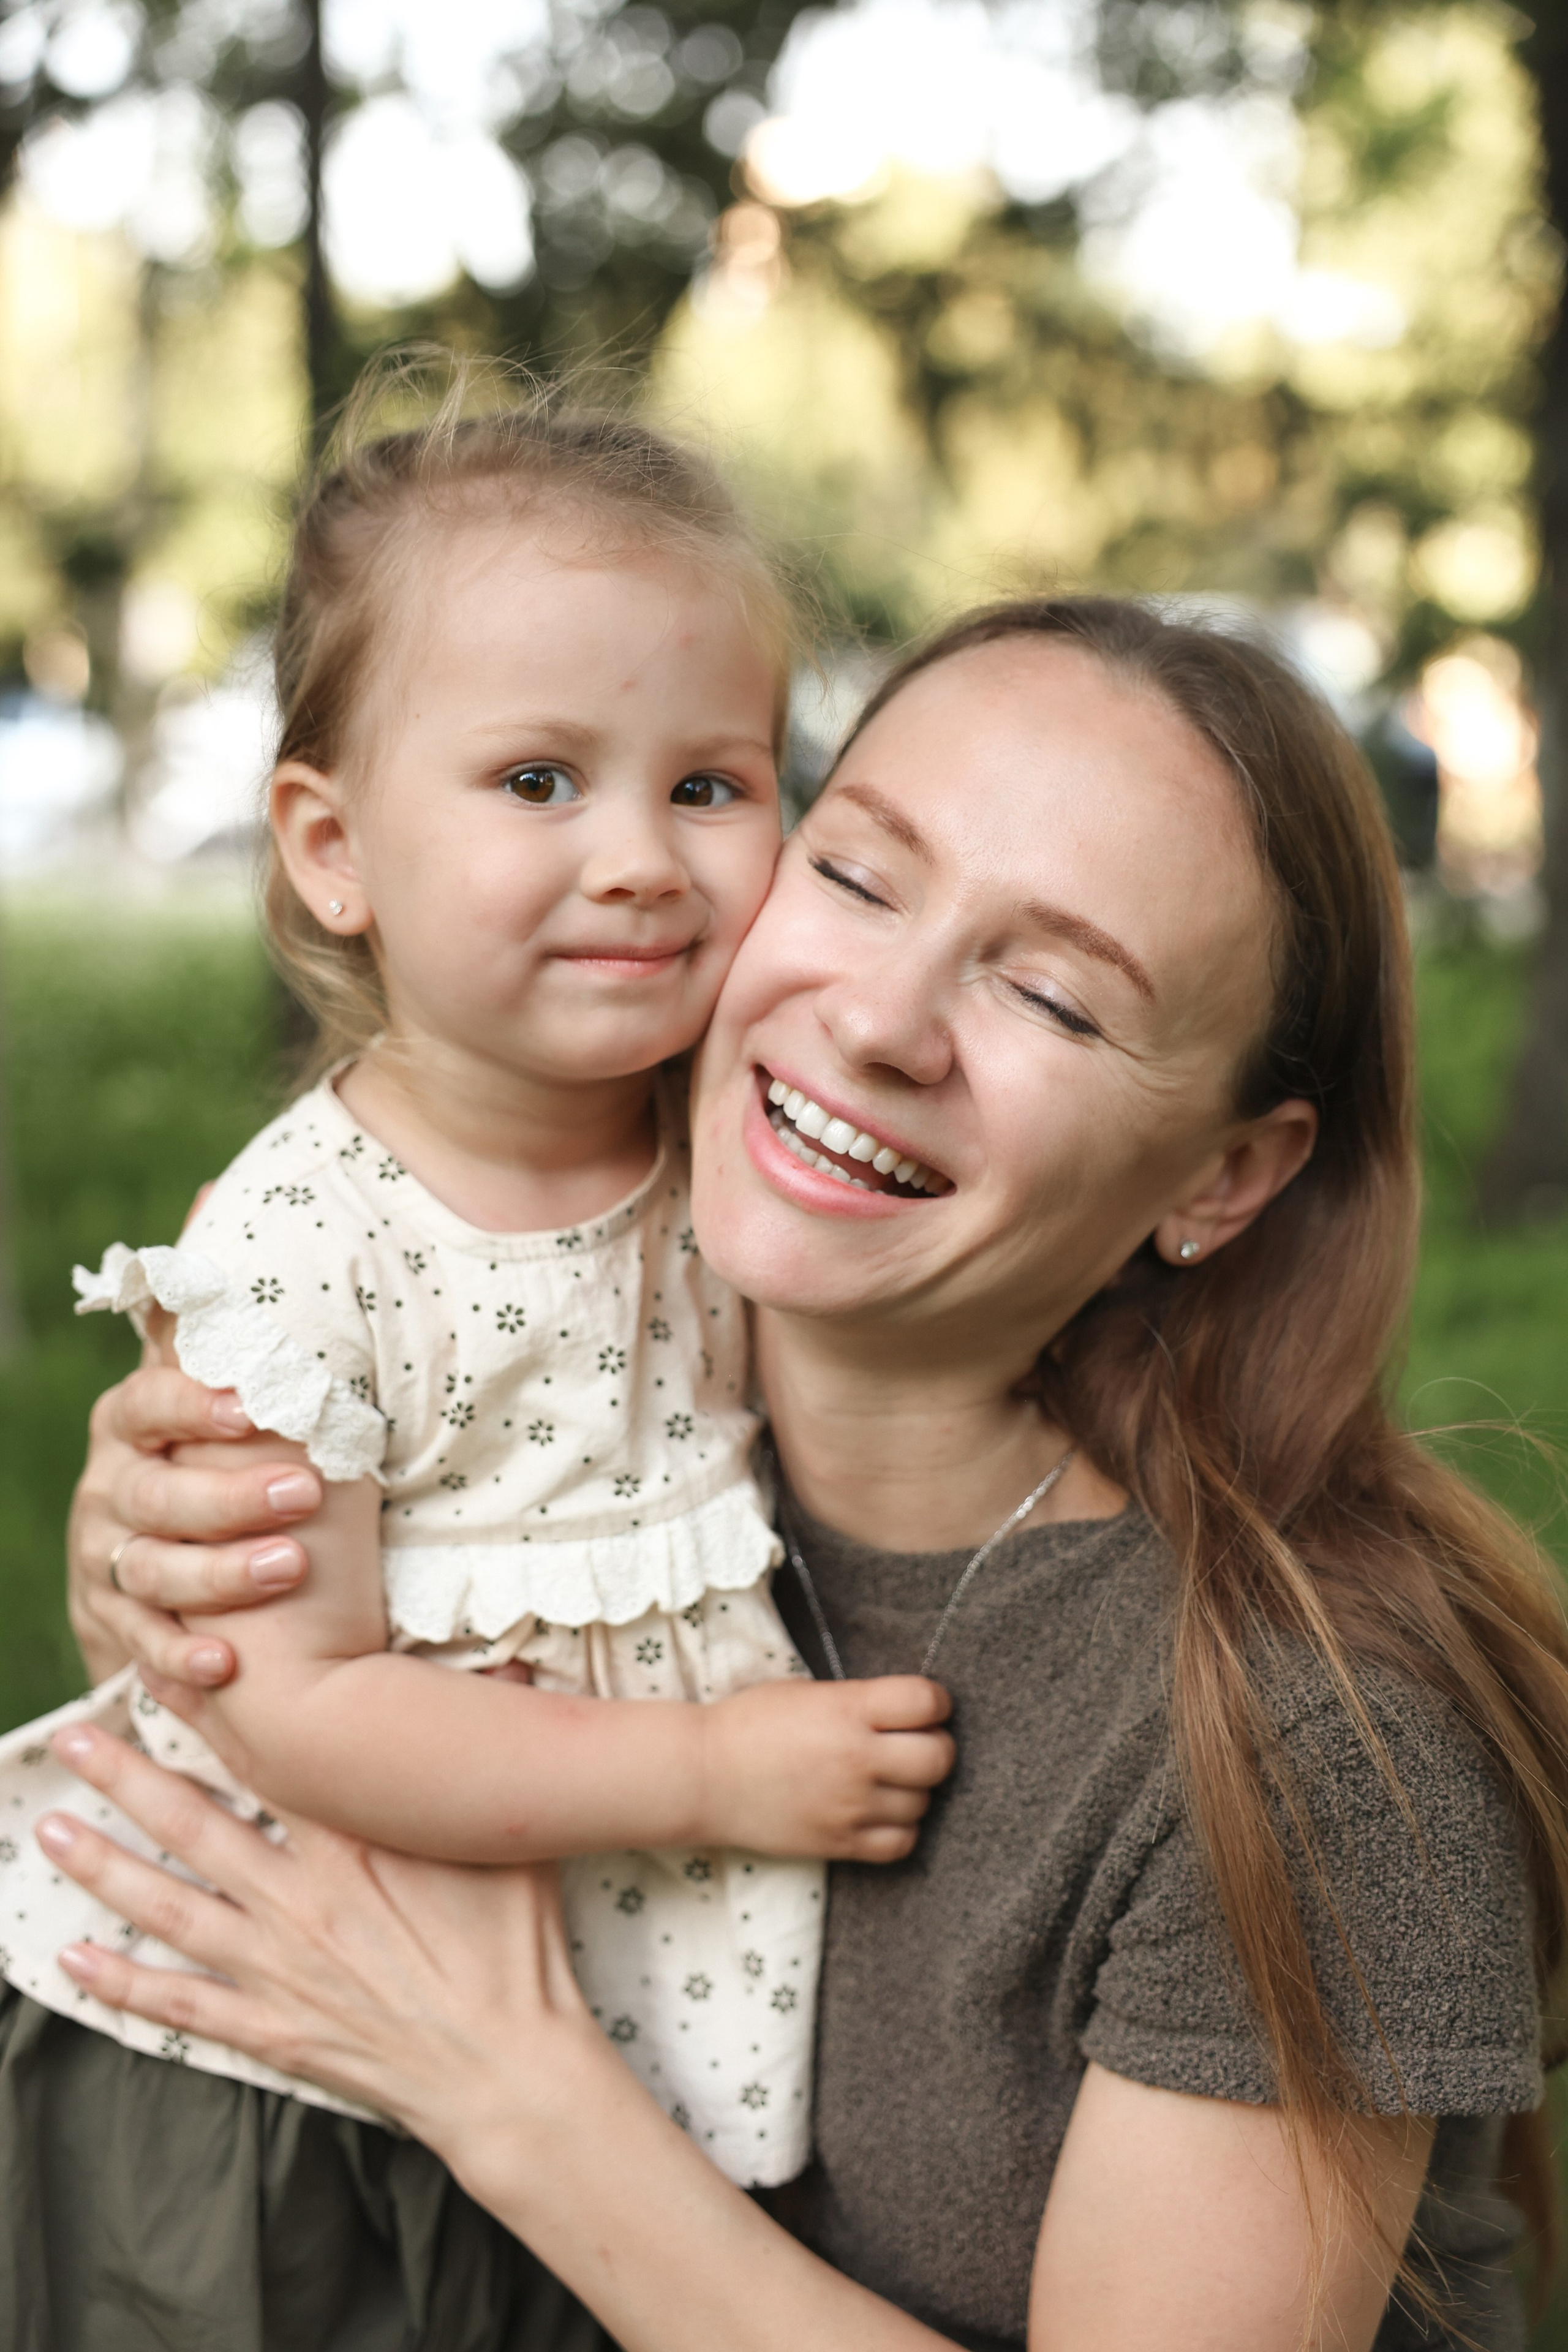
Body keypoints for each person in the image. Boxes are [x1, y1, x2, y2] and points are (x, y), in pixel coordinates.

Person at [39, 597, 1568, 2352]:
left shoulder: (1314, 1757)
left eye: (1052, 996)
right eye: (854, 875)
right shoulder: (522, 1417)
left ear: (1222, 1177)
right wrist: (179, 1573)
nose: (884, 1019)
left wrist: (512, 2098)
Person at [0, 369, 956, 2346]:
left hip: (588, 2036)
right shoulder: (302, 1251)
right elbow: (292, 1706)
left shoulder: (733, 1139)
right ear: (331, 847)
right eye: (538, 783)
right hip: (291, 2076)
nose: (642, 858)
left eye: (711, 785)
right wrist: (708, 1768)